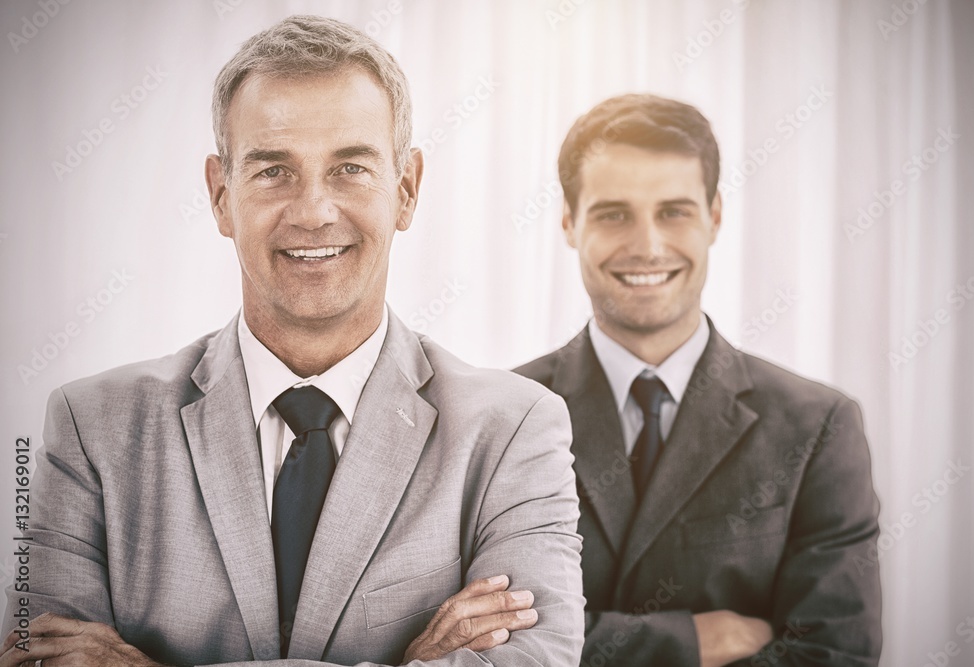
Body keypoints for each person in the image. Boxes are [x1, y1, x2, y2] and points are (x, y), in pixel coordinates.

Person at [1, 16, 584, 667]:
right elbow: (36, 656)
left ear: (407, 189)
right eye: (274, 170)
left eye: (350, 168)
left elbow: (537, 658)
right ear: (221, 196)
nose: (312, 210)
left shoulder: (514, 428)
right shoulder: (89, 427)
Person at [515, 94, 881, 666]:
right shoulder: (505, 414)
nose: (648, 246)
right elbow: (493, 642)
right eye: (614, 213)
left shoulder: (819, 427)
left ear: (715, 216)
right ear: (568, 221)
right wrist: (690, 642)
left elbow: (835, 654)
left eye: (674, 211)